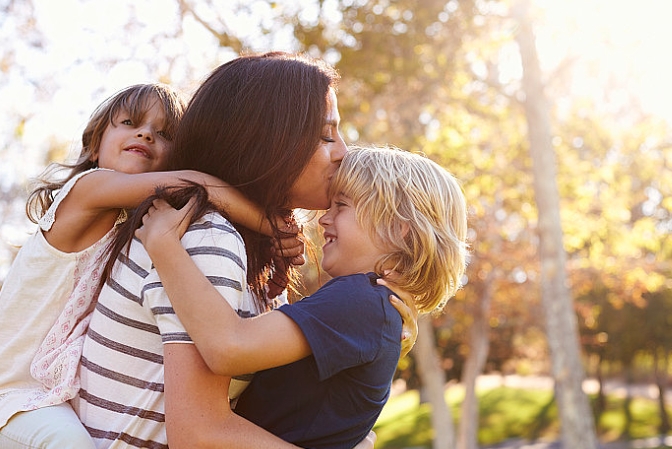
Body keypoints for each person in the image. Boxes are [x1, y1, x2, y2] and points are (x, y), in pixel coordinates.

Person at [73, 52, 415, 449]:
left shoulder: (251, 250)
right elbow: (200, 433)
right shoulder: (207, 238)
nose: (343, 151)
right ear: (267, 141)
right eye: (326, 135)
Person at [0, 83, 290, 449]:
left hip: (52, 393)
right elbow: (198, 185)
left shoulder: (132, 226)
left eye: (164, 134)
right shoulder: (86, 190)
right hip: (12, 394)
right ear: (93, 144)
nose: (145, 134)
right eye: (129, 122)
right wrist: (272, 227)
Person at [138, 145, 469, 449]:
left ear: (399, 229)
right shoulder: (374, 308)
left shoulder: (361, 300)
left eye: (342, 205)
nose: (324, 217)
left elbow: (228, 347)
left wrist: (164, 244)